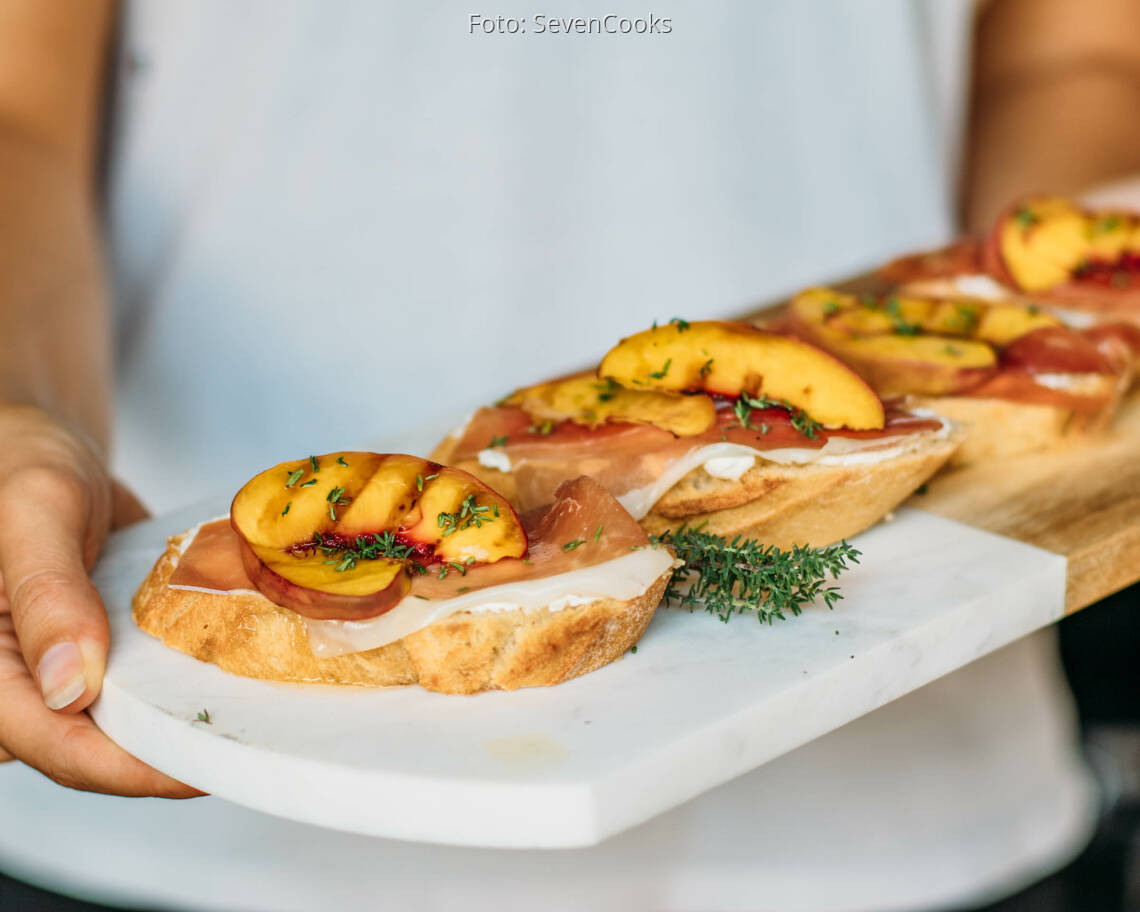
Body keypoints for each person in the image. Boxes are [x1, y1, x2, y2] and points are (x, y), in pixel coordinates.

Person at [2, 0, 1140, 908]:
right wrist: (18, 420)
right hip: (183, 818)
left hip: (922, 783)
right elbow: (20, 113)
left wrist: (1054, 327)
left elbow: (1076, 55)